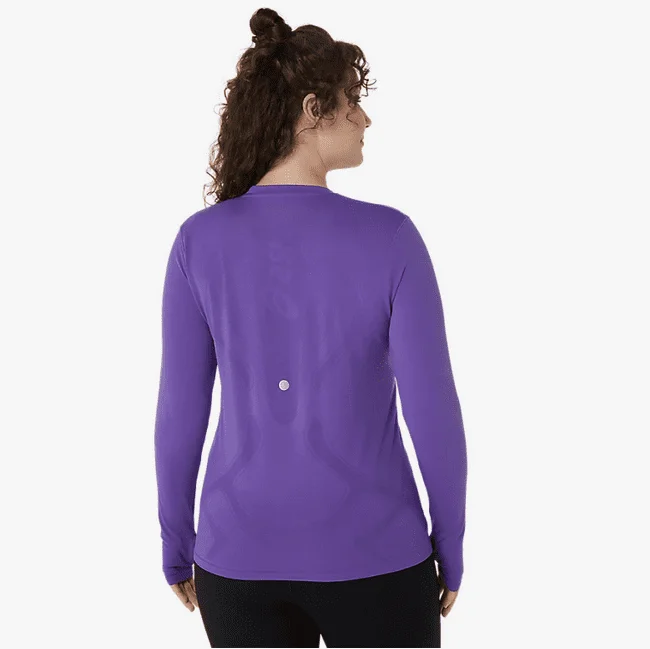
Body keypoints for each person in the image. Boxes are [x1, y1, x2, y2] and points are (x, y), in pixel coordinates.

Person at [153, 7, 468, 647]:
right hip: (378, 557)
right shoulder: (391, 237)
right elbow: (433, 412)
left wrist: (176, 544)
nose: (365, 119)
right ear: (311, 110)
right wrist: (452, 544)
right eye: (352, 102)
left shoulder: (198, 242)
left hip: (237, 559)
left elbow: (179, 413)